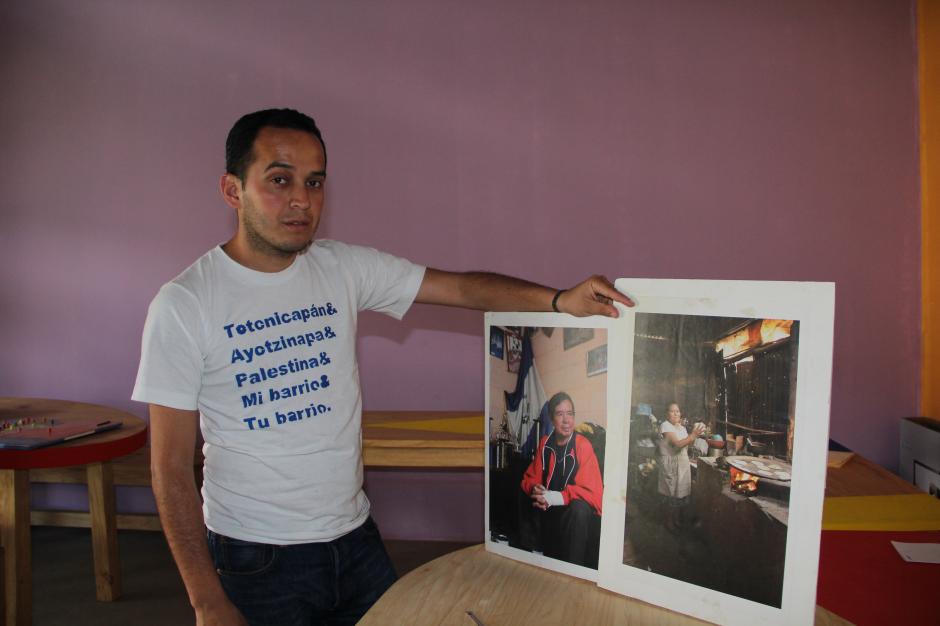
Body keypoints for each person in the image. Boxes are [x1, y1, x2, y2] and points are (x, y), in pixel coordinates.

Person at [132, 108, 634, 626]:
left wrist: (558, 300)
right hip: (257, 557)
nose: (302, 199)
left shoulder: (341, 268)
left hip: (356, 540)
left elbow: (459, 287)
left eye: (315, 182)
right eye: (279, 180)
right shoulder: (185, 303)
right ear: (232, 190)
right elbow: (168, 470)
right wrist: (206, 601)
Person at [519, 392, 603, 567]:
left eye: (570, 414)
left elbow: (594, 494)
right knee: (519, 493)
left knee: (579, 508)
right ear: (551, 418)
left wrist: (555, 498)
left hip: (570, 513)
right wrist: (535, 489)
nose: (566, 420)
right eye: (560, 414)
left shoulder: (583, 445)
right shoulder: (545, 443)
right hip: (546, 510)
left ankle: (574, 570)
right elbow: (529, 478)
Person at [657, 402, 705, 532]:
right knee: (671, 494)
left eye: (677, 411)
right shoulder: (665, 426)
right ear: (667, 413)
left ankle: (676, 520)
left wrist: (695, 435)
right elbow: (678, 445)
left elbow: (688, 442)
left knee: (680, 494)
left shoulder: (681, 427)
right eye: (672, 411)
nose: (675, 413)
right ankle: (668, 521)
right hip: (671, 464)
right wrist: (693, 435)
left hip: (682, 463)